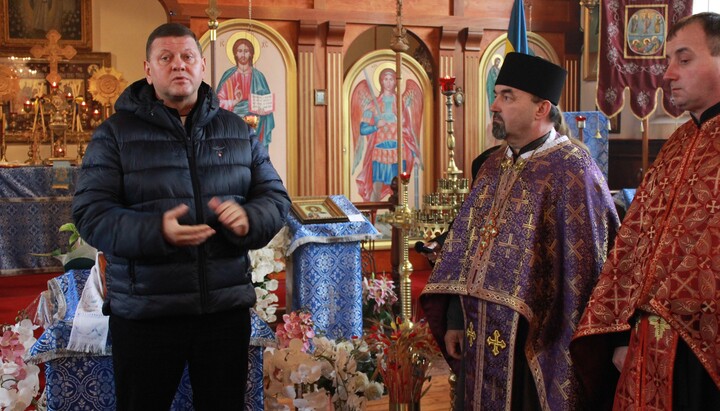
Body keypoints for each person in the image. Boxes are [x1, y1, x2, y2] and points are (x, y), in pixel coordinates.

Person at [71, 23, 290, 410]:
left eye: (187, 57)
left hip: (223, 312)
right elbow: (91, 214)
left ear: (202, 65)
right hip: (146, 314)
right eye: (166, 58)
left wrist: (249, 219)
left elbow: (274, 197)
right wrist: (156, 230)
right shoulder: (114, 135)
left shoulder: (237, 130)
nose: (179, 65)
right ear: (148, 69)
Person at [419, 52, 620, 410]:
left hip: (536, 343)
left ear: (541, 108)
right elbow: (465, 249)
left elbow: (590, 272)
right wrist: (454, 319)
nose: (494, 105)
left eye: (507, 96)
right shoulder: (492, 166)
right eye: (497, 95)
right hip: (477, 331)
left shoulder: (574, 172)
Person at [571, 12, 720, 410]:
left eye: (684, 59)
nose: (668, 74)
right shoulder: (676, 144)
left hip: (703, 354)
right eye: (668, 60)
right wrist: (621, 332)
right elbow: (635, 243)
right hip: (647, 343)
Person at [351, 67, 423, 201]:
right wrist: (375, 126)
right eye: (385, 79)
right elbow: (363, 129)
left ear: (395, 82)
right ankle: (373, 214)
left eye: (391, 79)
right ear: (381, 82)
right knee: (376, 189)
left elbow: (408, 131)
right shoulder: (373, 105)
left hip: (398, 152)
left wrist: (415, 154)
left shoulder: (401, 104)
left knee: (400, 191)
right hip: (380, 153)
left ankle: (401, 214)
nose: (388, 82)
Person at [216, 37, 275, 149]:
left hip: (255, 123)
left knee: (253, 151)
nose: (243, 54)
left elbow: (267, 103)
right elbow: (218, 103)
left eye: (246, 51)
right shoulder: (229, 76)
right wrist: (234, 101)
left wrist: (263, 110)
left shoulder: (258, 76)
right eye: (240, 51)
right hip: (233, 122)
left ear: (251, 54)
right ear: (235, 53)